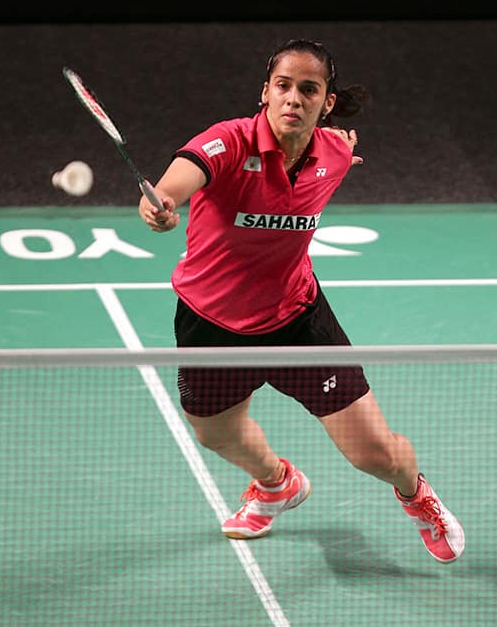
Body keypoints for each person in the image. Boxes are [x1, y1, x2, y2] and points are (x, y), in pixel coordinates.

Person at [138, 39, 464, 563]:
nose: (293, 98)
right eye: (283, 86)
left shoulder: (332, 152)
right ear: (265, 92)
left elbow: (337, 151)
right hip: (212, 324)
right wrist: (163, 204)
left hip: (297, 320)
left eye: (308, 90)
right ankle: (276, 483)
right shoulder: (228, 143)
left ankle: (415, 494)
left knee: (374, 455)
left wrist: (342, 147)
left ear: (325, 102)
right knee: (215, 434)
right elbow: (180, 177)